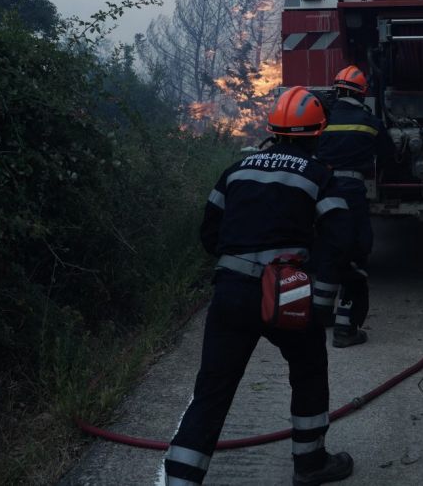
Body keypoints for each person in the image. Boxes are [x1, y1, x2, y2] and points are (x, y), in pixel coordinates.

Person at [164, 86, 355, 486]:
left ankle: (181, 480)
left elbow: (209, 232)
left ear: (273, 129)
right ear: (317, 134)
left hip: (231, 292)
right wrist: (322, 304)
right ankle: (310, 463)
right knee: (308, 370)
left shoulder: (236, 170)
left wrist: (238, 261)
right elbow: (341, 240)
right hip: (286, 293)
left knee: (213, 389)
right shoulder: (319, 175)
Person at [316, 66, 393, 348]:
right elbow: (388, 156)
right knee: (356, 255)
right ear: (363, 93)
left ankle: (320, 314)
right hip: (351, 193)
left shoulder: (321, 120)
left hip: (323, 192)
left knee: (328, 251)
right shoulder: (370, 122)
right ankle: (346, 330)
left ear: (336, 90)